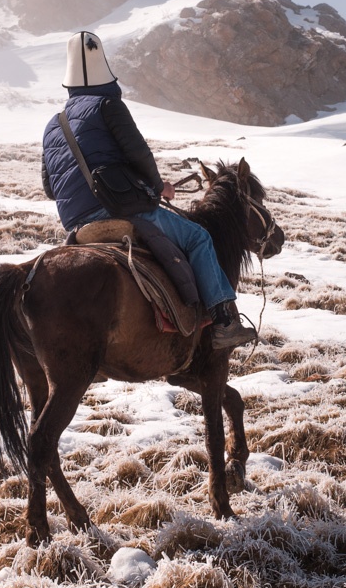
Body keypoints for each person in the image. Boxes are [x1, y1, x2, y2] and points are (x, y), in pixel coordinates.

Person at [41, 31, 257, 350]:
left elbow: (49, 188)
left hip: (75, 223)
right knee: (198, 237)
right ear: (105, 75)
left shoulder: (53, 124)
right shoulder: (108, 105)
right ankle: (224, 320)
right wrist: (160, 188)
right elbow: (139, 154)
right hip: (120, 209)